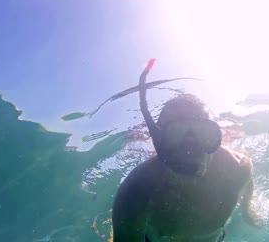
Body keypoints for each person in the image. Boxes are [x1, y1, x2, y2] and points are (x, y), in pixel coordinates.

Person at [111, 60, 259, 242]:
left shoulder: (238, 168)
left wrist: (247, 209)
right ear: (159, 143)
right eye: (175, 135)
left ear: (217, 138)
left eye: (203, 133)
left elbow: (247, 182)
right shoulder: (137, 191)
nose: (190, 150)